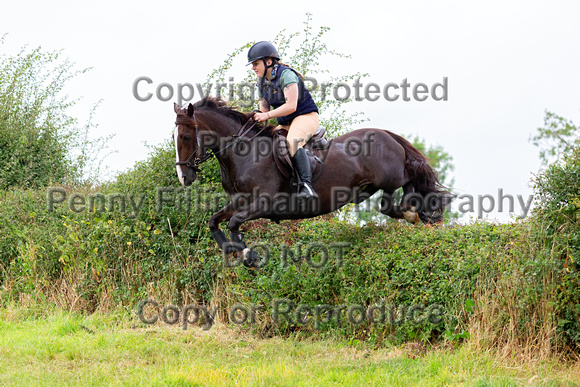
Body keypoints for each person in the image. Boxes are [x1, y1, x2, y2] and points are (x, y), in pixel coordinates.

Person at [247, 41, 319, 201]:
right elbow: (263, 111)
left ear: (269, 61)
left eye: (256, 64)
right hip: (287, 122)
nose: (253, 68)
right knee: (268, 143)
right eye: (253, 65)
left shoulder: (286, 75)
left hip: (306, 116)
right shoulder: (261, 83)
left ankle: (307, 186)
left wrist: (266, 116)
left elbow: (291, 106)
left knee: (293, 142)